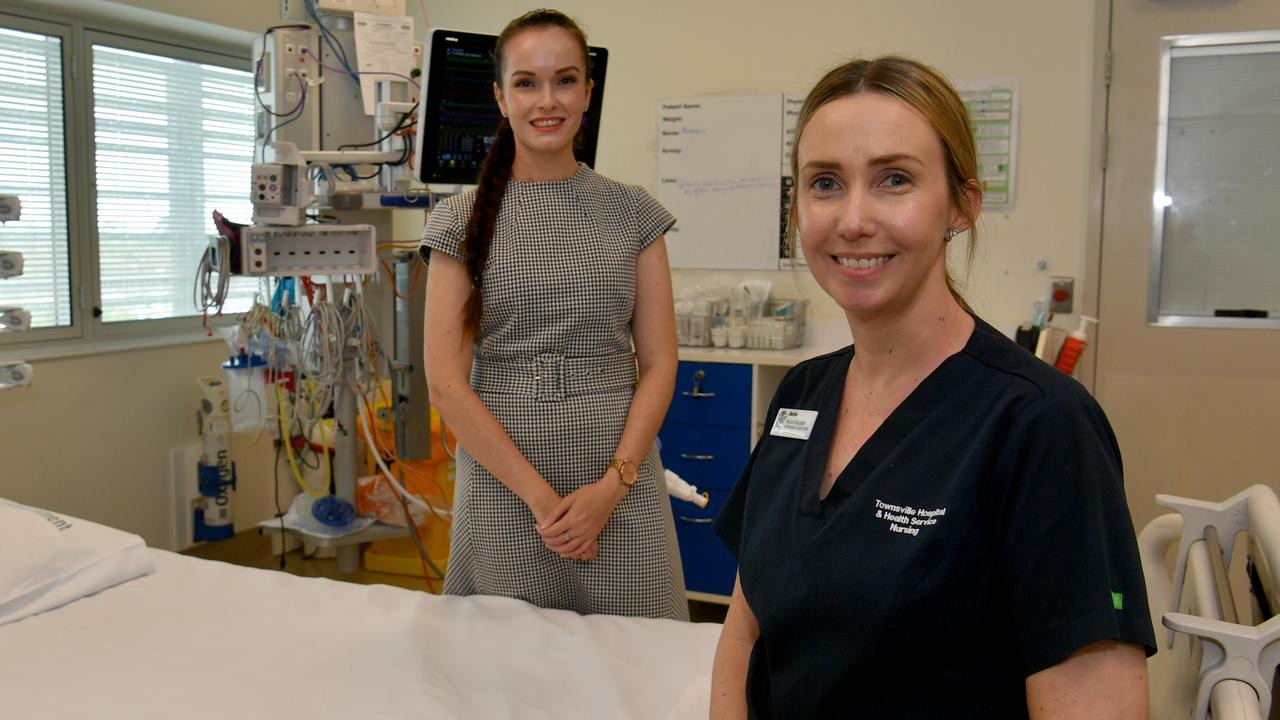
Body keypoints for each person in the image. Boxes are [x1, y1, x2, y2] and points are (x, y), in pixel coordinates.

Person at [709, 56, 1156, 717]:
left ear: (961, 206)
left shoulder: (1038, 425)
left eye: (895, 179)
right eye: (825, 183)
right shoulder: (801, 394)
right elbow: (747, 626)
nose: (853, 219)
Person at [421, 9, 686, 620]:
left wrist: (611, 490)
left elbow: (661, 363)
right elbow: (446, 384)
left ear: (588, 92)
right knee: (502, 680)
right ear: (500, 96)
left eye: (565, 80)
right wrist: (545, 503)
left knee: (637, 677)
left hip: (620, 487)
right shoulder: (458, 223)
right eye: (526, 82)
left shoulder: (633, 214)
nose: (548, 100)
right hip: (504, 490)